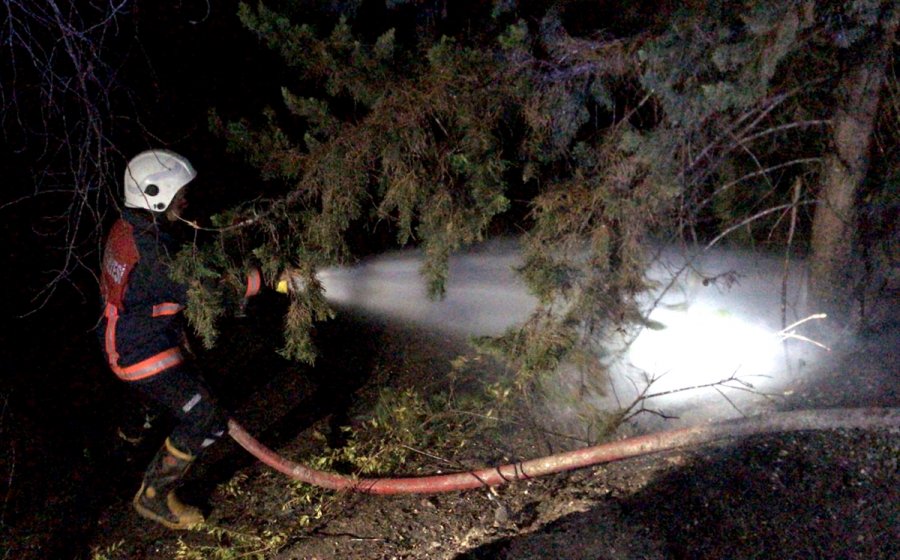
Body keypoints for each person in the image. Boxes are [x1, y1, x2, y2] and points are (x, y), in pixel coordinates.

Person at [98, 149, 263, 530]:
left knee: (175, 400)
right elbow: (209, 294)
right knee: (206, 417)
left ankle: (136, 424)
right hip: (138, 351)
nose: (186, 199)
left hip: (132, 335)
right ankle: (153, 497)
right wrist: (267, 280)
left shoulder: (132, 227)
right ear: (157, 196)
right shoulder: (156, 260)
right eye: (180, 193)